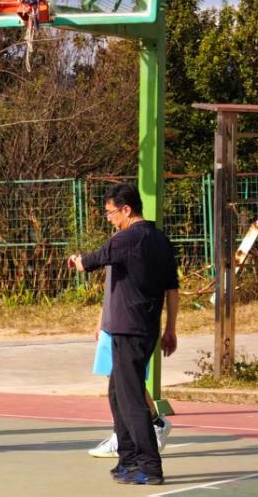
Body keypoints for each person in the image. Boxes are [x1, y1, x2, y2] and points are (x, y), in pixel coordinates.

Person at [69, 183, 179, 486]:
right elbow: (172, 288)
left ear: (126, 209)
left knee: (131, 400)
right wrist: (170, 328)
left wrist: (76, 260)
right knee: (117, 394)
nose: (109, 219)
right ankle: (128, 460)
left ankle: (150, 466)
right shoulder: (160, 239)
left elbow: (88, 263)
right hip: (142, 328)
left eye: (110, 213)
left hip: (129, 330)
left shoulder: (125, 239)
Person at [87, 265, 172, 458]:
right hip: (111, 323)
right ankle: (153, 423)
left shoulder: (140, 252)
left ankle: (126, 435)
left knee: (127, 380)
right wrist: (101, 319)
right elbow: (111, 287)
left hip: (129, 324)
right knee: (118, 380)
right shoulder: (113, 251)